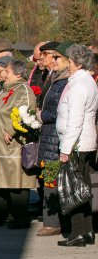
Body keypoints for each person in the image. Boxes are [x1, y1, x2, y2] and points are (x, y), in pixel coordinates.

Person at [0, 59, 37, 228]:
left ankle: (20, 217)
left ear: (17, 73)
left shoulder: (23, 90)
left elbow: (26, 115)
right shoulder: (5, 90)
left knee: (15, 181)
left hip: (12, 144)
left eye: (6, 72)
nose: (2, 75)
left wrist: (11, 131)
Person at [55, 43, 98, 247]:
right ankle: (87, 231)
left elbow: (76, 120)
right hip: (83, 142)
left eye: (70, 61)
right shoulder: (84, 81)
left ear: (79, 63)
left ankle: (78, 232)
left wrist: (66, 149)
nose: (68, 65)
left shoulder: (80, 85)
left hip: (77, 143)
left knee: (74, 189)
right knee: (83, 187)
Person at [36, 42, 69, 237]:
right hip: (49, 136)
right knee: (49, 178)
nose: (53, 61)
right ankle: (51, 220)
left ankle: (54, 221)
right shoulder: (56, 79)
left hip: (56, 136)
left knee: (54, 179)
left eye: (57, 58)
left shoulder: (65, 81)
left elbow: (58, 111)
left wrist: (41, 116)